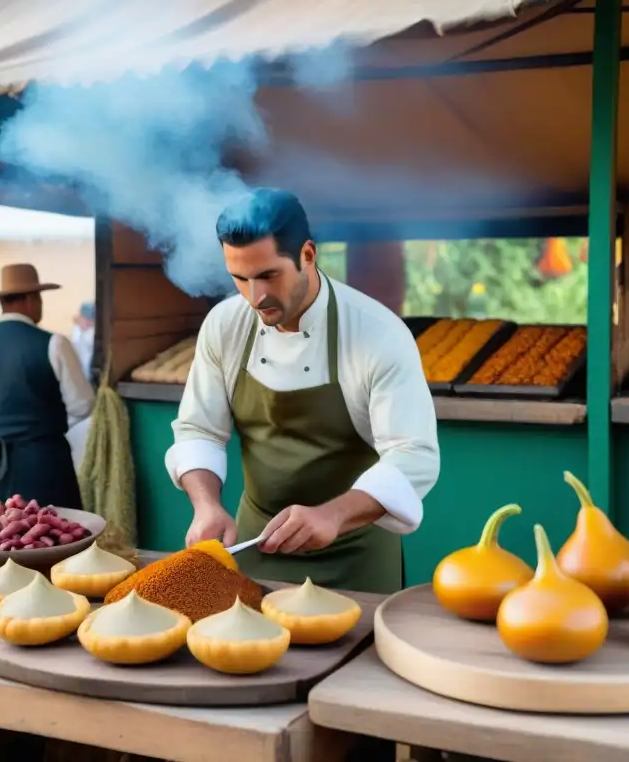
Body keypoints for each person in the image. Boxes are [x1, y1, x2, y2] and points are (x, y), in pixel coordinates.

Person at [168, 188, 440, 594]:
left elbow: (413, 455)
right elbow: (199, 431)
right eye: (240, 279)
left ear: (308, 255)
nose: (255, 297)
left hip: (354, 554)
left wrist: (331, 516)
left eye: (268, 276)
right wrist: (206, 505)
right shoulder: (225, 325)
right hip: (256, 545)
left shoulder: (377, 333)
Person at [0, 264, 94, 510]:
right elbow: (83, 405)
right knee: (51, 541)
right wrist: (43, 425)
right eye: (39, 299)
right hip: (44, 466)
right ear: (30, 299)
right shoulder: (55, 344)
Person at [71, 301, 96, 381]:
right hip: (78, 371)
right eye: (86, 318)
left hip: (90, 372)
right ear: (81, 317)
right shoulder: (77, 329)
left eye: (91, 319)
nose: (88, 322)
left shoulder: (93, 332)